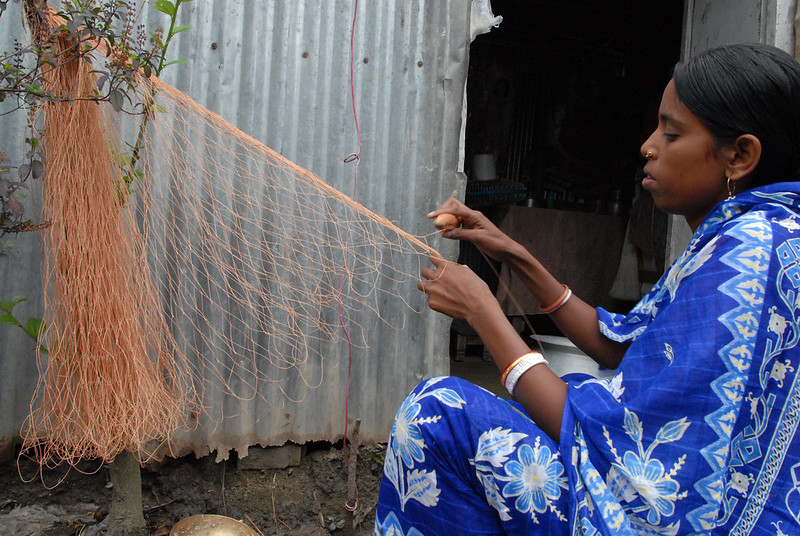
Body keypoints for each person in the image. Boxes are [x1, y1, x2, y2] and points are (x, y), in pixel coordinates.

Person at [373, 43, 800, 535]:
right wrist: (513, 252)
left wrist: (482, 312)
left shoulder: (748, 253)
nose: (649, 145)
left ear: (740, 155)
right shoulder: (765, 234)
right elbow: (622, 344)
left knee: (437, 413)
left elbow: (621, 455)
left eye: (672, 132)